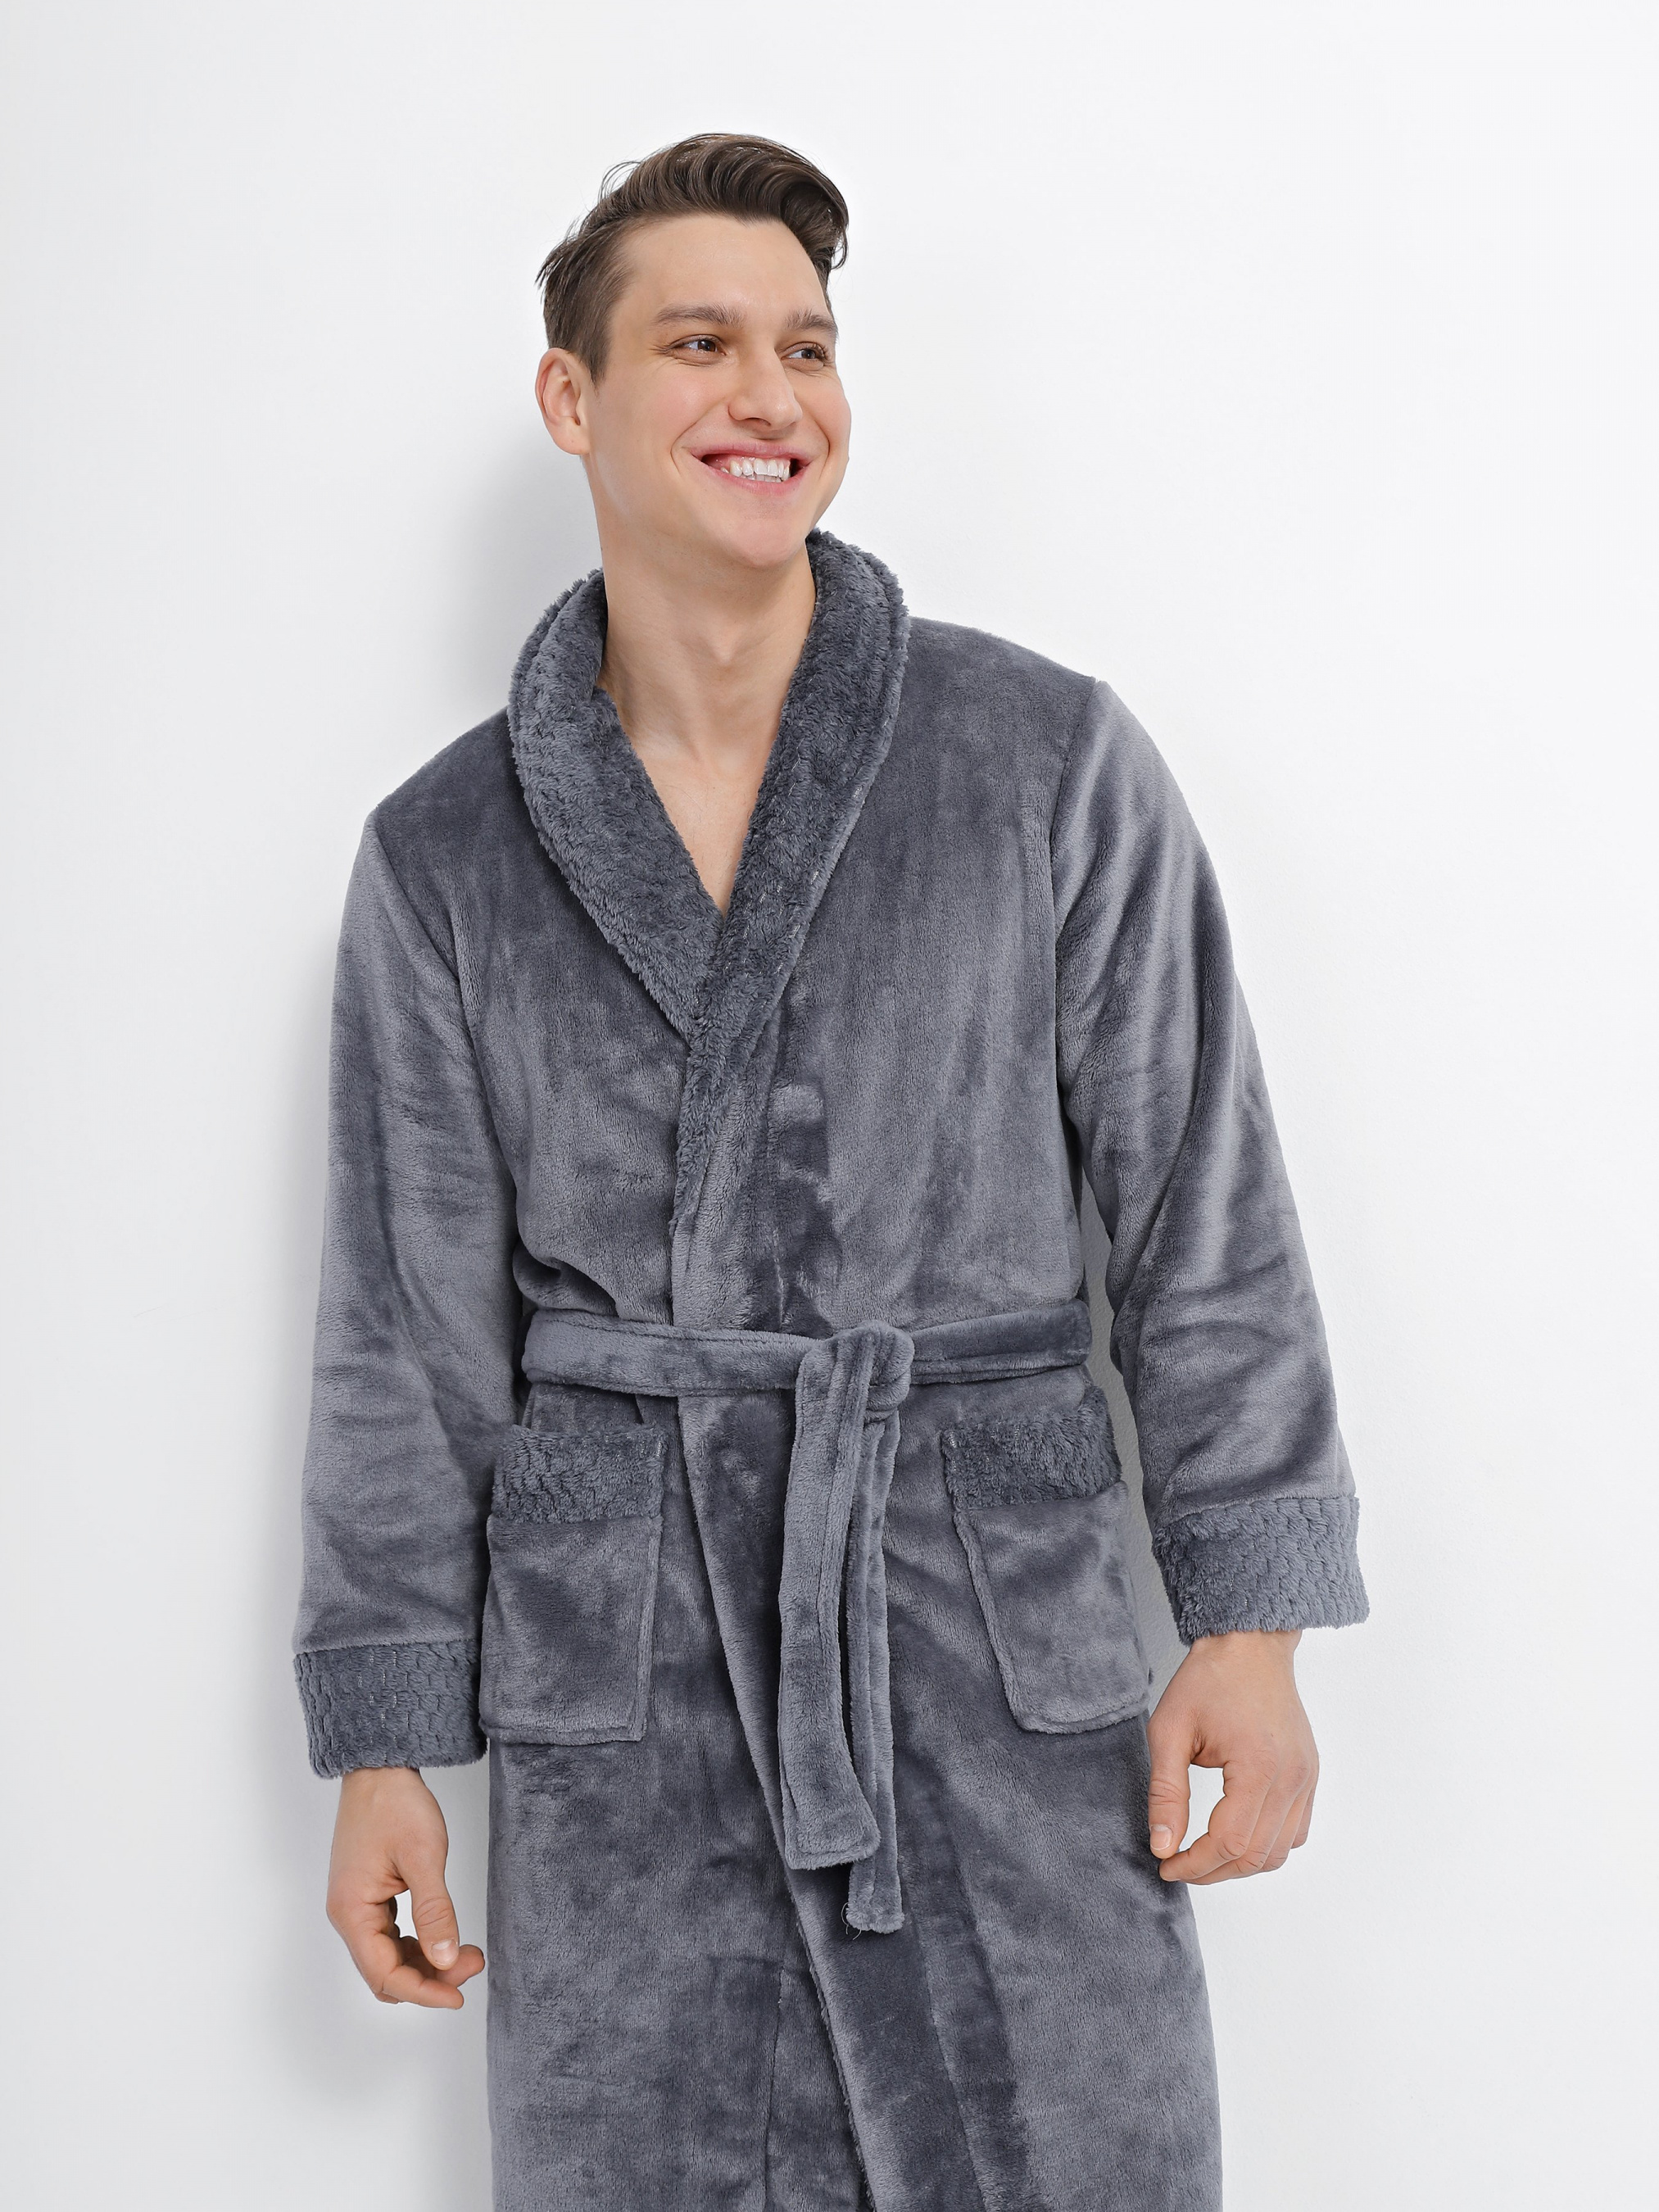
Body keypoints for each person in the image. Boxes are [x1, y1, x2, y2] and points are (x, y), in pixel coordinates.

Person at [292, 132, 1367, 2212]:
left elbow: (1200, 1215)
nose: (768, 394)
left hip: (990, 1643)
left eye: (804, 346)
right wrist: (382, 1741)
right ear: (572, 399)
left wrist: (1250, 1626)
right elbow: (404, 1339)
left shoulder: (1042, 762)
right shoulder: (442, 857)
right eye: (699, 343)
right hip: (634, 1692)